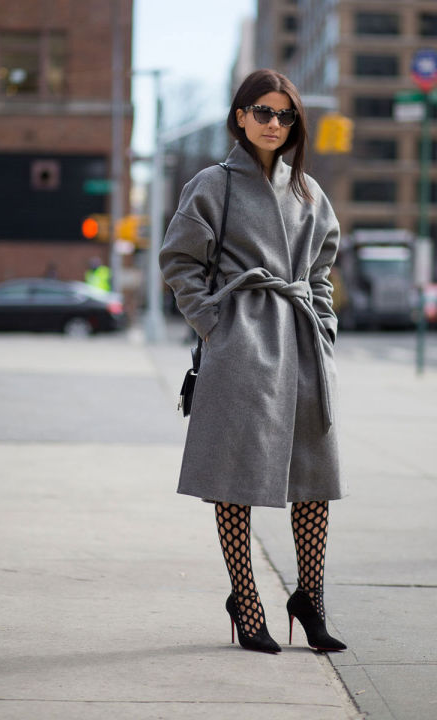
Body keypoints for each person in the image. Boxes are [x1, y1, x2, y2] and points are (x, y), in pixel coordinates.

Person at [159, 69, 347, 654]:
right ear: (239, 117)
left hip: (304, 349)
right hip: (242, 346)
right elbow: (179, 262)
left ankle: (309, 599)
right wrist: (215, 324)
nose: (273, 123)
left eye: (285, 115)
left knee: (313, 478)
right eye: (262, 112)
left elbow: (321, 270)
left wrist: (324, 323)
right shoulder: (212, 185)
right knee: (235, 478)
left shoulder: (309, 192)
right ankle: (245, 598)